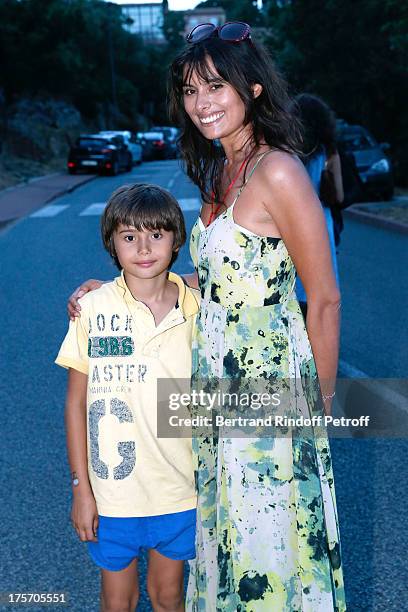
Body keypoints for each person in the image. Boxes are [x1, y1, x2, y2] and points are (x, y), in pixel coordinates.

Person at [68, 22, 346, 611]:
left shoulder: (278, 171)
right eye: (192, 91)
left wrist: (317, 409)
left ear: (254, 89)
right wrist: (113, 287)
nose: (202, 103)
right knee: (230, 542)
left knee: (268, 545)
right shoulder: (220, 172)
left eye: (216, 86)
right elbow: (220, 281)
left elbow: (323, 298)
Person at [57, 183, 200, 612]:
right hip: (112, 496)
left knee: (168, 596)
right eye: (129, 236)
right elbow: (75, 404)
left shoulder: (197, 307)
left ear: (176, 240)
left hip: (179, 489)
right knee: (117, 601)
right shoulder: (93, 308)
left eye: (156, 235)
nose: (143, 247)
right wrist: (81, 489)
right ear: (112, 244)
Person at [293, 93, 344, 318]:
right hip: (322, 221)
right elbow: (339, 197)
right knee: (320, 286)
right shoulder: (329, 153)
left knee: (295, 283)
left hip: (293, 222)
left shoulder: (287, 154)